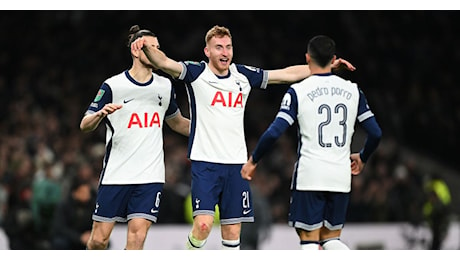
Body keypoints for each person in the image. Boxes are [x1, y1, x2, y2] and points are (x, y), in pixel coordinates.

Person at [131, 25, 355, 250]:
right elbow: (164, 63)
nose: (224, 52)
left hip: (236, 165)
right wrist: (147, 49)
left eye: (228, 47)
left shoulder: (243, 75)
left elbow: (285, 74)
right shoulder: (196, 73)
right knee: (203, 226)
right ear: (207, 51)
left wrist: (323, 68)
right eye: (218, 47)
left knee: (232, 231)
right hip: (205, 163)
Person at [241, 35, 382, 250]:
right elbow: (376, 133)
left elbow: (273, 132)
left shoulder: (299, 91)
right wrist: (362, 158)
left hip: (311, 175)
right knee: (331, 240)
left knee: (309, 242)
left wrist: (253, 160)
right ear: (333, 58)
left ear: (307, 57)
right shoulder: (354, 91)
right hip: (340, 176)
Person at [80, 25, 190, 250]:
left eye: (159, 48)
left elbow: (177, 122)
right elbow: (84, 124)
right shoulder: (113, 85)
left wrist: (211, 128)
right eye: (152, 48)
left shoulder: (165, 85)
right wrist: (99, 115)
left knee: (137, 238)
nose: (157, 53)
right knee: (99, 241)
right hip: (116, 173)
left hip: (150, 175)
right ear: (136, 50)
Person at [51, 178, 96, 250]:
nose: (87, 195)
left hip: (88, 236)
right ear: (75, 193)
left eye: (88, 192)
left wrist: (90, 235)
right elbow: (60, 227)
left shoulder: (92, 205)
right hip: (70, 237)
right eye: (83, 192)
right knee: (60, 243)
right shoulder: (64, 205)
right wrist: (79, 237)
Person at [423, 172, 452, 250]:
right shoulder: (443, 185)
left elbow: (433, 200)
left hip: (438, 213)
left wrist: (427, 212)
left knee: (436, 239)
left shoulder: (434, 185)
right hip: (442, 212)